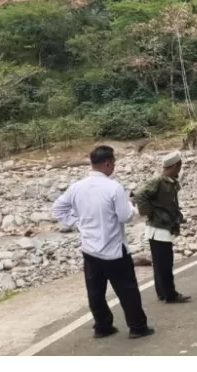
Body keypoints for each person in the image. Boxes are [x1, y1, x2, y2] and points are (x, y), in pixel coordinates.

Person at [52, 145, 154, 339]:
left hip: (90, 249)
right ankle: (137, 327)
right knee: (127, 290)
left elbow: (57, 209)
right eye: (113, 162)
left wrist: (77, 223)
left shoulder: (76, 187)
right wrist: (132, 208)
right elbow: (124, 217)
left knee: (95, 291)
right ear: (108, 164)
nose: (114, 166)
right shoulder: (113, 187)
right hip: (114, 249)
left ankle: (102, 326)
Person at [134, 151, 190, 304]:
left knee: (160, 264)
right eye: (179, 167)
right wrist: (149, 212)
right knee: (164, 264)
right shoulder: (158, 180)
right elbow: (139, 194)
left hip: (162, 227)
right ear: (175, 166)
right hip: (158, 228)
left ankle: (162, 292)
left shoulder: (169, 181)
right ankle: (170, 294)